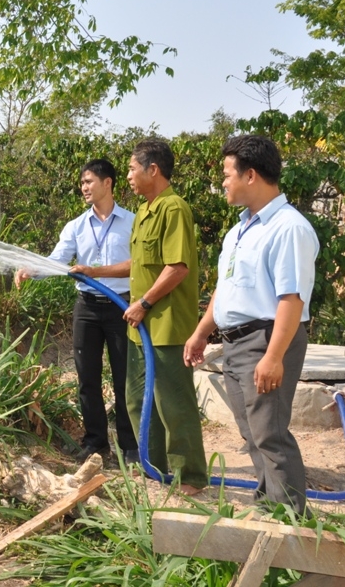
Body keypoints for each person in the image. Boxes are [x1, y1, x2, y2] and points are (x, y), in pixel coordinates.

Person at [184, 135, 318, 514]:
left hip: (266, 340)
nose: (223, 182)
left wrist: (274, 357)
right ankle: (269, 512)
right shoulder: (240, 230)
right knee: (253, 435)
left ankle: (291, 527)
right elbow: (227, 291)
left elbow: (291, 299)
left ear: (251, 175)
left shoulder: (288, 228)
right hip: (237, 343)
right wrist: (201, 332)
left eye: (227, 174)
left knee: (270, 436)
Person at [72, 139, 208, 494]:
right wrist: (96, 272)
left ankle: (190, 475)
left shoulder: (173, 208)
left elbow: (176, 266)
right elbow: (138, 263)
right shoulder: (146, 211)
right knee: (136, 397)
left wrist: (144, 302)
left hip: (165, 323)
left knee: (173, 401)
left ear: (153, 170)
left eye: (132, 168)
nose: (128, 175)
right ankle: (153, 464)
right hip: (140, 326)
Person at [15, 159, 138, 464]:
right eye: (82, 183)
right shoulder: (76, 226)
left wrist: (95, 271)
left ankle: (130, 446)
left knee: (124, 378)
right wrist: (33, 269)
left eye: (89, 181)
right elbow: (58, 260)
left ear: (107, 183)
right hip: (86, 307)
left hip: (122, 307)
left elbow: (140, 263)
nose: (83, 187)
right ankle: (96, 443)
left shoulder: (133, 222)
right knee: (87, 378)